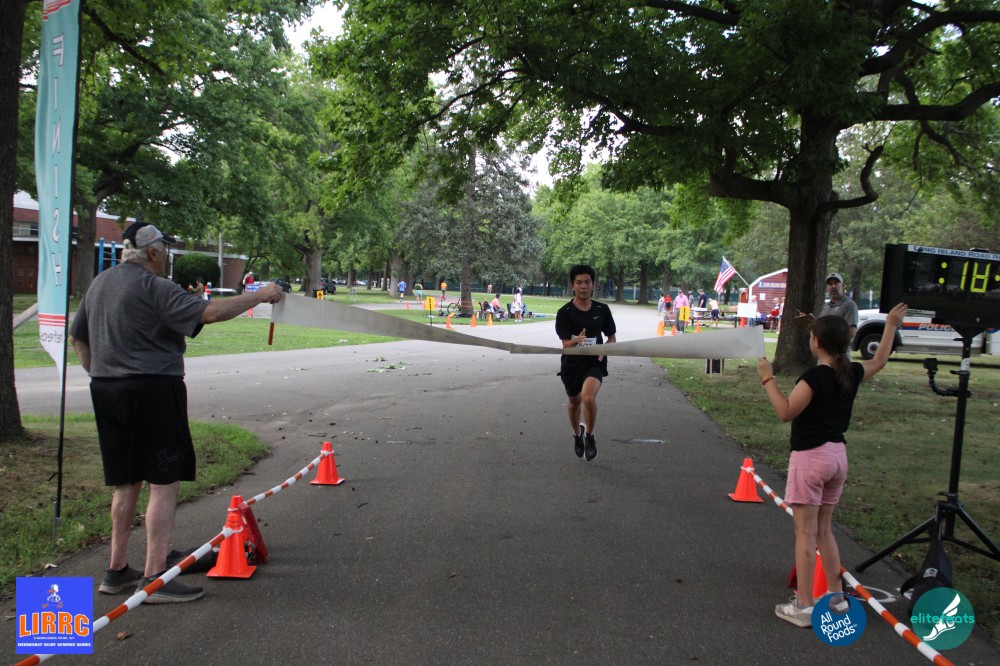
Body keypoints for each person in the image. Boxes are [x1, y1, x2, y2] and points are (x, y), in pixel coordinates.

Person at [69, 222, 284, 604]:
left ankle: (117, 570)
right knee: (163, 481)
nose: (167, 254)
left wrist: (99, 372)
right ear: (152, 252)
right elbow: (210, 312)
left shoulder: (99, 284)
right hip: (152, 390)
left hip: (106, 390)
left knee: (126, 482)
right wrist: (262, 295)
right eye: (164, 248)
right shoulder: (154, 286)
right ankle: (155, 579)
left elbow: (78, 337)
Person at [756, 303, 907, 627]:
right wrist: (891, 325)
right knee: (824, 530)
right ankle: (836, 599)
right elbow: (880, 360)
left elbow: (785, 411)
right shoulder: (851, 372)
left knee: (805, 534)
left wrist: (768, 379)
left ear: (816, 343)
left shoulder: (814, 377)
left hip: (810, 458)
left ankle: (804, 605)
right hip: (838, 456)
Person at [555, 265, 617, 461]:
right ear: (572, 285)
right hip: (572, 365)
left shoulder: (602, 309)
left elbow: (612, 339)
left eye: (587, 282)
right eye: (579, 282)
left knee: (588, 398)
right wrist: (577, 340)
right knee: (574, 403)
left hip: (594, 362)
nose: (583, 286)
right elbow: (565, 344)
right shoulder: (564, 312)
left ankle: (590, 436)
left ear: (593, 285)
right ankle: (577, 434)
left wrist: (604, 349)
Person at [795, 273, 859, 339]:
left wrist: (828, 333)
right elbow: (821, 328)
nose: (833, 286)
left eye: (836, 283)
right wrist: (808, 321)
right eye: (830, 284)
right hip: (823, 345)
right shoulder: (825, 306)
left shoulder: (849, 305)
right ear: (827, 287)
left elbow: (851, 333)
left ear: (843, 285)